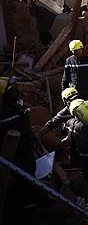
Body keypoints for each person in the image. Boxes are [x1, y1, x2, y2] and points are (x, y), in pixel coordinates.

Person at [0, 76, 37, 222]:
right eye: (14, 90)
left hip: (22, 155)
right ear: (5, 95)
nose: (18, 92)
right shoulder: (7, 117)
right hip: (17, 159)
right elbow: (22, 134)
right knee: (21, 188)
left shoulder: (12, 109)